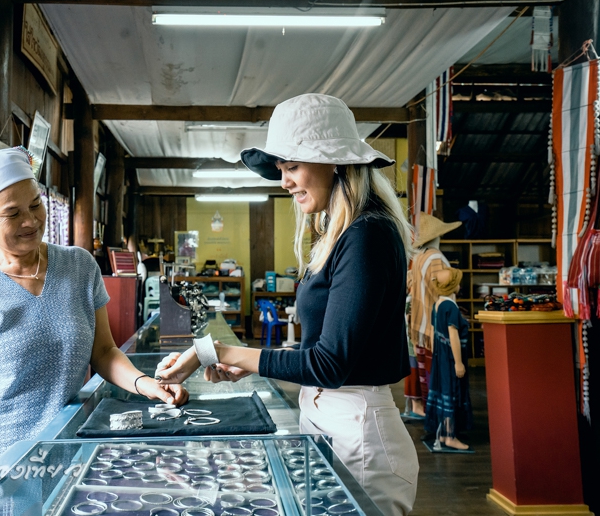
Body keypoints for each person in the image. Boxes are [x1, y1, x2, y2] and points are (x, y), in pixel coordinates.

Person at [155, 93, 419, 515]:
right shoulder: (341, 231)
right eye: (281, 169)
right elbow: (322, 350)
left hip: (359, 438)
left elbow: (331, 363)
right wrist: (252, 361)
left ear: (334, 160)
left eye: (292, 166)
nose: (284, 181)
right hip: (325, 418)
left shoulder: (367, 234)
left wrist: (219, 351)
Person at [0, 147, 188, 515]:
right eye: (12, 213)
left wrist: (145, 384)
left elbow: (103, 352)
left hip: (66, 451)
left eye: (35, 206)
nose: (29, 221)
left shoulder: (79, 267)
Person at [406, 213, 461, 417]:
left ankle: (433, 414)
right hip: (436, 325)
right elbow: (445, 288)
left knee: (426, 374)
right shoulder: (436, 258)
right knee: (441, 374)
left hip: (420, 325)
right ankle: (442, 420)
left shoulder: (419, 258)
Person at [424, 268, 472, 449]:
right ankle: (450, 436)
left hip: (440, 357)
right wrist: (458, 362)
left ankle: (444, 433)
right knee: (451, 393)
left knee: (444, 392)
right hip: (450, 359)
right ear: (452, 286)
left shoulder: (437, 305)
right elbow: (453, 336)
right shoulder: (451, 307)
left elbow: (434, 333)